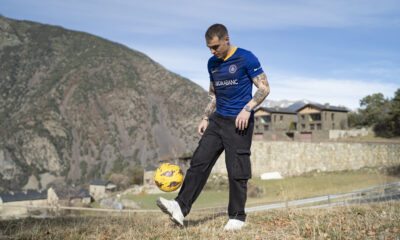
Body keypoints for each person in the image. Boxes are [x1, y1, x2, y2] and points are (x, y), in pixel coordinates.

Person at [157, 23, 270, 231]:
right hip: (217, 120)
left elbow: (264, 87)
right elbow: (214, 94)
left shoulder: (246, 57)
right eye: (209, 47)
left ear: (226, 39)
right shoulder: (212, 63)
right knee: (199, 162)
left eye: (215, 46)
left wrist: (248, 108)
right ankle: (180, 207)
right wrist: (205, 117)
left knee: (237, 170)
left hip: (240, 122)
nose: (212, 51)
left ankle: (237, 217)